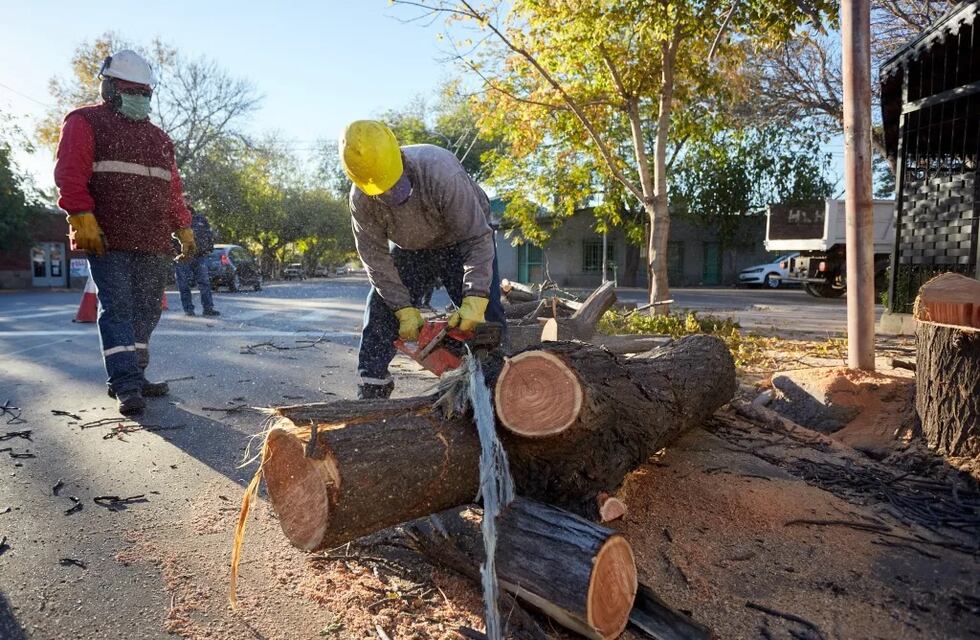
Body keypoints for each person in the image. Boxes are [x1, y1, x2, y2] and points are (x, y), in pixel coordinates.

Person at [54, 50, 195, 416]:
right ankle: (125, 384)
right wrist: (81, 215)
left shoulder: (160, 139)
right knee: (118, 308)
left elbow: (172, 189)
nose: (140, 98)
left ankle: (137, 373)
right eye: (133, 90)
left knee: (147, 310)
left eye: (145, 92)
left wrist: (183, 225)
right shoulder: (84, 122)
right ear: (110, 88)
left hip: (152, 239)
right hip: (108, 237)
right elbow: (70, 174)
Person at [340, 120, 506, 400]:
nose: (392, 197)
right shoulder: (361, 199)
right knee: (380, 312)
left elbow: (478, 238)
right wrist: (402, 308)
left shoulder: (440, 170)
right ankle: (372, 386)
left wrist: (475, 299)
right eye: (382, 193)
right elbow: (375, 260)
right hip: (411, 249)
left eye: (396, 187)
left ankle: (498, 385)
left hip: (460, 241)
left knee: (487, 317)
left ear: (402, 159)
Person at [173, 196, 220, 317]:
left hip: (199, 256)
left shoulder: (200, 218)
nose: (186, 201)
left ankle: (208, 308)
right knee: (183, 284)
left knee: (204, 282)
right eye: (183, 199)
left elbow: (208, 234)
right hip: (183, 256)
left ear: (190, 201)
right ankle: (188, 310)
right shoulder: (176, 217)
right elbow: (171, 236)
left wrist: (209, 248)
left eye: (188, 199)